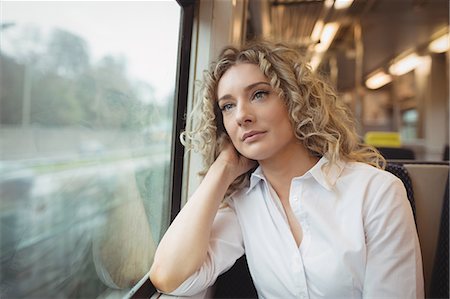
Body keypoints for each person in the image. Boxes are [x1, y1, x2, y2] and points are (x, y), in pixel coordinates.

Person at [149, 40, 424, 298]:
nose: (242, 116)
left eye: (259, 94)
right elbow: (169, 276)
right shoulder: (243, 204)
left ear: (294, 100)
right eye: (228, 106)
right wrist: (222, 168)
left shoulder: (377, 191)